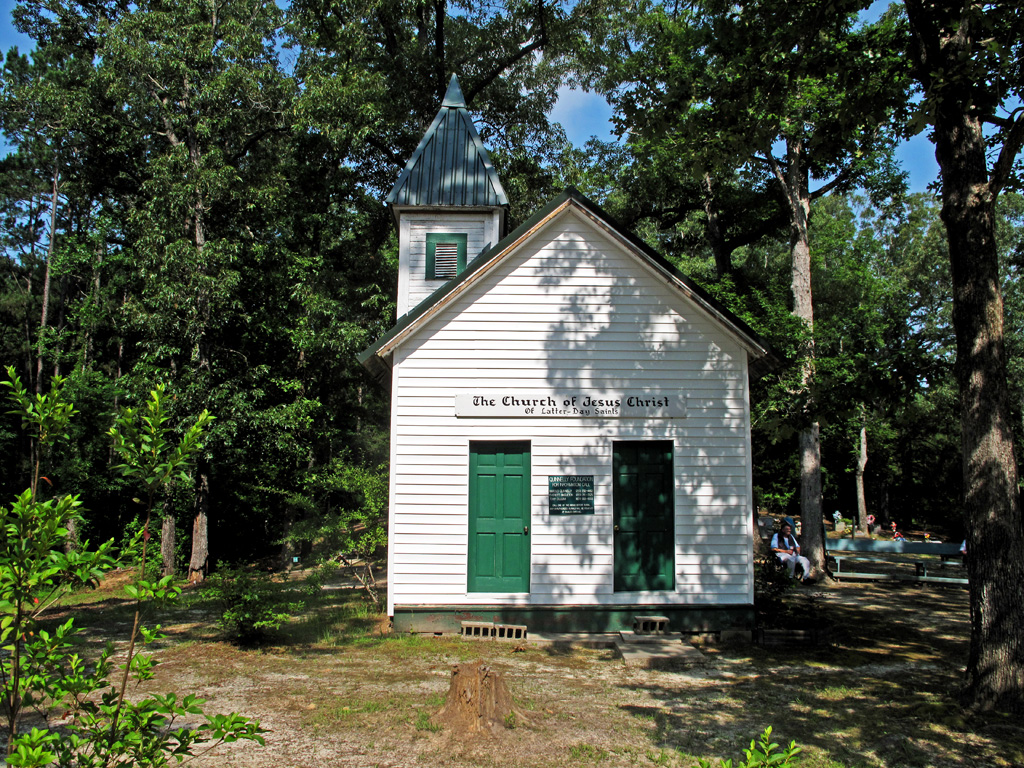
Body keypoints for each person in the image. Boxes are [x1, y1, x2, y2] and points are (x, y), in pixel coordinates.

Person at [771, 517, 812, 583]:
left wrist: (797, 551)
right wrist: (786, 551)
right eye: (787, 530)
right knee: (791, 559)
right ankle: (790, 578)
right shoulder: (776, 536)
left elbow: (797, 546)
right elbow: (773, 548)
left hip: (793, 554)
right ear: (783, 530)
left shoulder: (791, 537)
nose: (789, 531)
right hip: (782, 554)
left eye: (790, 530)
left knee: (805, 560)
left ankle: (806, 578)